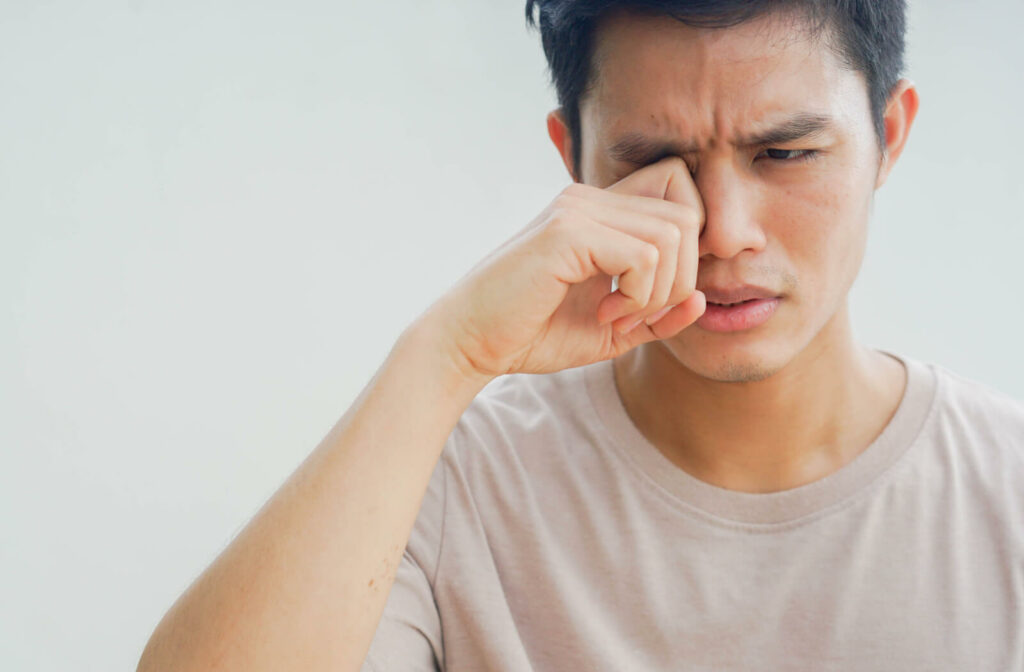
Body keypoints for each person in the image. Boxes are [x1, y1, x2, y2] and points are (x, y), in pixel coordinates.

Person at [137, 1, 1024, 670]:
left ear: (889, 136)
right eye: (651, 163)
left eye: (785, 154)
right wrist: (450, 354)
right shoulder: (454, 489)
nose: (724, 230)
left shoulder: (1005, 493)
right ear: (575, 161)